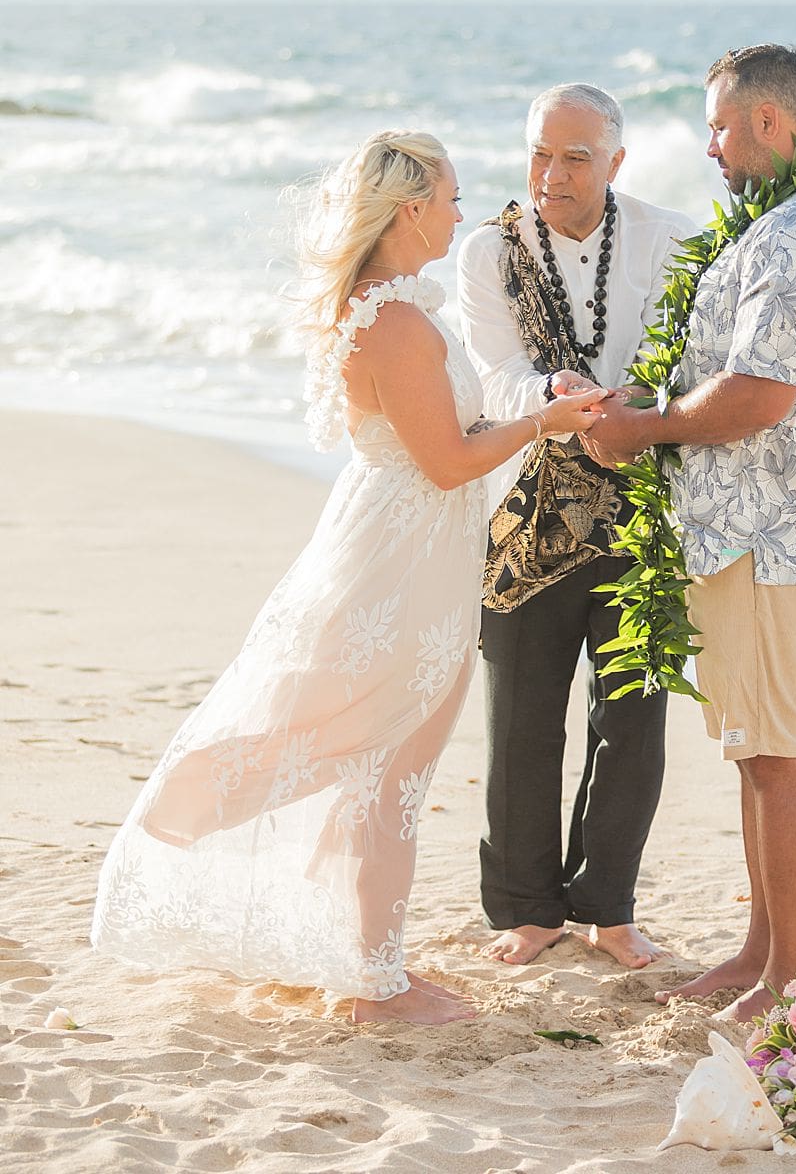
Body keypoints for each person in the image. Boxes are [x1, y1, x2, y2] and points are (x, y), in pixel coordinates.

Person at [91, 130, 606, 1026]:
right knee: (389, 761)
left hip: (409, 544)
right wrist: (547, 424)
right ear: (410, 211)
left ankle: (365, 959)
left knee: (382, 758)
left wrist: (534, 401)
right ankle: (374, 982)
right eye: (449, 197)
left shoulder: (395, 306)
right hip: (402, 557)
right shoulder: (398, 323)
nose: (460, 211)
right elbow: (448, 462)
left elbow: (449, 428)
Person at [581, 45, 796, 1021]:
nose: (707, 146)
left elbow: (757, 396)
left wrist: (645, 430)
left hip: (775, 529)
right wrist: (643, 402)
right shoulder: (776, 223)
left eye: (717, 125)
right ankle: (760, 952)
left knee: (783, 753)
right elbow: (727, 372)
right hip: (740, 526)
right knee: (755, 749)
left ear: (769, 124)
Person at [456, 84, 694, 971]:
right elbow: (496, 375)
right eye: (539, 154)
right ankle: (527, 910)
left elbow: (688, 361)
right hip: (526, 505)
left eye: (576, 158)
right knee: (522, 718)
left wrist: (635, 406)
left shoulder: (670, 241)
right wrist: (563, 403)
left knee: (632, 715)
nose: (552, 175)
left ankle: (607, 907)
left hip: (639, 504)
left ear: (616, 163)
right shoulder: (490, 252)